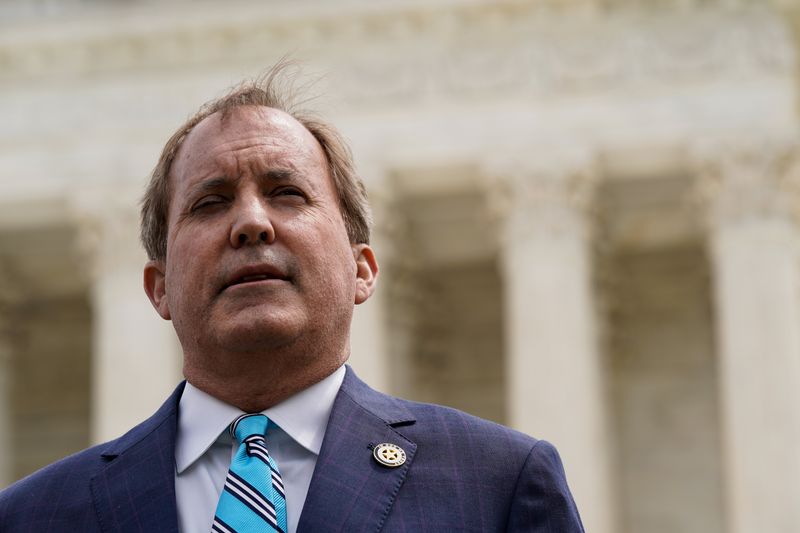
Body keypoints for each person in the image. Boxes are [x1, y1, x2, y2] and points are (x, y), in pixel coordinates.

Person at [0, 65, 584, 532]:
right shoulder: (32, 516)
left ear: (362, 268)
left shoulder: (497, 483)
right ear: (159, 289)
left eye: (286, 193)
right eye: (210, 202)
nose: (251, 223)